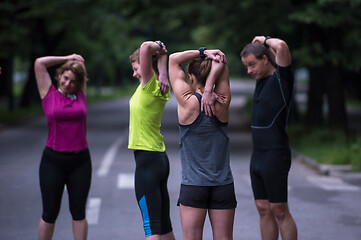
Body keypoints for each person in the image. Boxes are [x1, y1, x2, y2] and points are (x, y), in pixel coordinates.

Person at [168, 48, 236, 240]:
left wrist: (203, 52)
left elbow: (173, 60)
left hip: (193, 186)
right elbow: (223, 62)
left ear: (190, 77)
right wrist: (209, 88)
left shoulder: (188, 102)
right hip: (223, 185)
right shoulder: (222, 101)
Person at [240, 36, 298, 240]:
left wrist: (264, 39)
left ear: (265, 59)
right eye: (246, 66)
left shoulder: (282, 80)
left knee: (279, 209)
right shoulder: (262, 80)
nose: (249, 71)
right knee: (263, 208)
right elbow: (273, 54)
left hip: (276, 154)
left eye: (251, 65)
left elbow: (281, 46)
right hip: (258, 156)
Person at [34, 54, 91, 240]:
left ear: (78, 83)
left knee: (79, 212)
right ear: (59, 76)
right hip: (53, 162)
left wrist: (77, 62)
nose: (68, 84)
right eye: (65, 78)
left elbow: (81, 63)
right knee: (49, 213)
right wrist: (67, 57)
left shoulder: (81, 95)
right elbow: (40, 63)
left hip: (80, 161)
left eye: (73, 81)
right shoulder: (48, 94)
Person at [128, 41, 175, 240]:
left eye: (136, 68)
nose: (134, 73)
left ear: (146, 66)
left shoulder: (149, 85)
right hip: (159, 159)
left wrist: (156, 48)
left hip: (147, 161)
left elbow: (147, 46)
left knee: (151, 228)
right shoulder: (159, 85)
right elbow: (163, 53)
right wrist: (163, 70)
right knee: (164, 226)